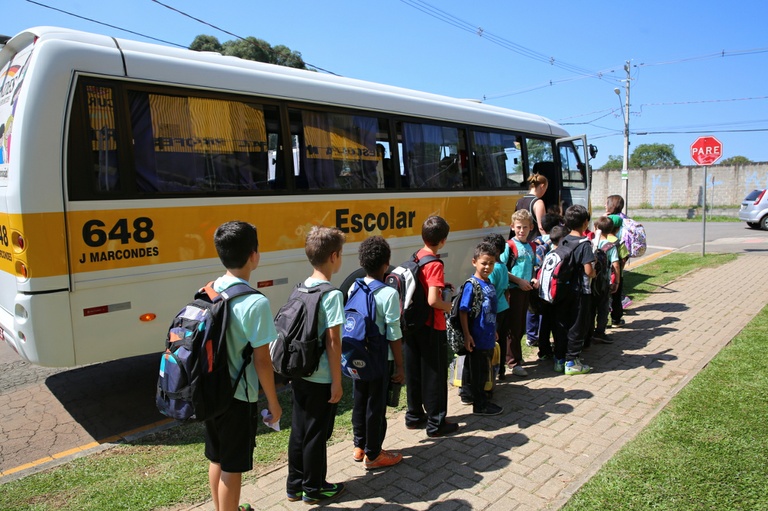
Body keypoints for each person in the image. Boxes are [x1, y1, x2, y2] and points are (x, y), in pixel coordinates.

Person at [207, 221, 282, 511]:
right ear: (254, 255)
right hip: (238, 396)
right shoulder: (254, 301)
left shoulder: (211, 288)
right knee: (232, 466)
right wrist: (273, 404)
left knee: (217, 458)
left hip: (211, 389)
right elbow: (263, 361)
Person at [286, 226, 346, 505]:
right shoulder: (331, 294)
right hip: (320, 376)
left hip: (299, 370)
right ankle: (315, 488)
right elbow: (334, 343)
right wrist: (337, 380)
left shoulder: (301, 287)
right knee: (316, 434)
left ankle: (295, 486)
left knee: (299, 430)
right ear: (334, 256)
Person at [350, 236, 405, 470]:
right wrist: (400, 366)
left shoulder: (355, 285)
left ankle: (359, 445)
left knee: (359, 400)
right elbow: (393, 333)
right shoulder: (388, 294)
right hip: (379, 359)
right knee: (376, 405)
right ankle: (373, 454)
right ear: (386, 265)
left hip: (356, 355)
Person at [403, 215, 459, 438]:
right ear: (443, 240)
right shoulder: (435, 263)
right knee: (434, 374)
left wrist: (440, 286)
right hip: (431, 325)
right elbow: (433, 301)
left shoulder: (417, 256)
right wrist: (450, 306)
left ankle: (414, 416)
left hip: (412, 324)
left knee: (414, 370)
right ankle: (436, 423)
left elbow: (422, 284)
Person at [459, 241, 503, 416]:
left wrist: (495, 329)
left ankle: (475, 395)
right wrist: (467, 335)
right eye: (484, 263)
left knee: (482, 369)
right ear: (474, 262)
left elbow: (490, 311)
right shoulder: (472, 285)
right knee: (478, 371)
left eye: (491, 263)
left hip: (488, 335)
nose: (487, 266)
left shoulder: (489, 283)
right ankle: (480, 404)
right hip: (476, 337)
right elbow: (463, 311)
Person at [556, 205, 596, 375]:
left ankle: (559, 359)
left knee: (562, 324)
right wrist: (596, 271)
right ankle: (572, 361)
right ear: (586, 222)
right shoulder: (584, 244)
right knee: (577, 325)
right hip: (580, 292)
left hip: (562, 290)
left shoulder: (563, 240)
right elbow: (588, 271)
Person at [504, 209, 538, 377]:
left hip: (526, 290)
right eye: (518, 227)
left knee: (520, 326)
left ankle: (515, 356)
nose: (521, 231)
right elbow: (503, 269)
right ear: (512, 227)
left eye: (525, 227)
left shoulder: (531, 246)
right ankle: (512, 362)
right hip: (513, 291)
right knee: (513, 326)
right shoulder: (509, 246)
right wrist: (519, 281)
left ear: (531, 227)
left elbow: (533, 267)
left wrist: (533, 278)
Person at [525, 213, 563, 350]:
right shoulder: (555, 242)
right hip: (544, 281)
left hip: (532, 278)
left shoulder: (536, 241)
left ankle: (531, 336)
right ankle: (542, 336)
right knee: (543, 310)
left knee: (531, 309)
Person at [589, 216, 621, 345]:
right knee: (603, 308)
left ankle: (588, 332)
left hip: (591, 282)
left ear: (596, 228)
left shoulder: (590, 243)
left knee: (590, 308)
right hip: (604, 283)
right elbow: (616, 264)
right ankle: (600, 332)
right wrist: (616, 281)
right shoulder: (610, 246)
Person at [484, 233, 511, 381]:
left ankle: (491, 372)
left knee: (493, 341)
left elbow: (490, 291)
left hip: (495, 310)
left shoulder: (493, 269)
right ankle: (501, 370)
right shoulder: (503, 267)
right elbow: (506, 289)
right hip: (504, 307)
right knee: (502, 341)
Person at [540, 225, 567, 370]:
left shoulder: (548, 253)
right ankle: (559, 358)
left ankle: (543, 352)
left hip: (545, 295)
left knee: (545, 324)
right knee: (559, 327)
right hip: (558, 297)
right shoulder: (563, 255)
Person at [605, 195, 628, 327]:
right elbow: (623, 259)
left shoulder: (602, 241)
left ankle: (601, 323)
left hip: (604, 276)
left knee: (603, 300)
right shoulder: (619, 244)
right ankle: (616, 319)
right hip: (616, 276)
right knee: (616, 298)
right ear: (618, 229)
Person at [514, 173, 548, 241]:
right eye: (546, 189)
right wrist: (548, 241)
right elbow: (541, 227)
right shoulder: (538, 202)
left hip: (522, 241)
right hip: (534, 242)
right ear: (542, 186)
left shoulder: (519, 201)